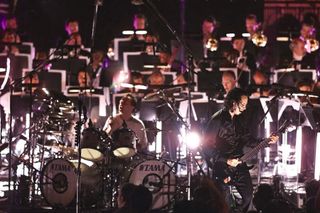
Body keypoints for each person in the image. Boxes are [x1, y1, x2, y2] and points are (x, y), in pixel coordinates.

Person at [203, 88, 278, 212]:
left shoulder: (239, 120)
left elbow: (247, 139)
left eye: (245, 105)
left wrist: (266, 141)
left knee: (248, 197)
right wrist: (226, 160)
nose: (244, 108)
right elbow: (206, 148)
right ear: (233, 103)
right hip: (222, 166)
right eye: (242, 105)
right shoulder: (216, 120)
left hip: (239, 164)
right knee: (224, 202)